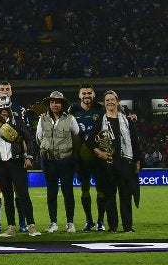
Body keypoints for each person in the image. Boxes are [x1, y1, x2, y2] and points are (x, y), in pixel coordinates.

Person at [0, 96, 40, 237]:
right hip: (0, 164)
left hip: (16, 162)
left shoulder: (18, 122)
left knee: (23, 194)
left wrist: (30, 156)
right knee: (7, 196)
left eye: (6, 108)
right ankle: (11, 227)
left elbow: (29, 138)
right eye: (1, 109)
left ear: (10, 108)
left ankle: (31, 225)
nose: (4, 111)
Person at [87, 90, 142, 233]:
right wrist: (101, 154)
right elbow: (90, 141)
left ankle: (127, 226)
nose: (110, 102)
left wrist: (137, 162)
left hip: (125, 163)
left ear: (117, 102)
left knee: (126, 196)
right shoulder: (100, 120)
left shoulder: (127, 121)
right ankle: (112, 226)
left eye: (112, 99)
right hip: (108, 164)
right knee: (110, 197)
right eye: (107, 100)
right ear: (104, 104)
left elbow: (135, 142)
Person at [0, 81, 28, 234]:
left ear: (11, 92)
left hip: (15, 157)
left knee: (17, 189)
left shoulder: (19, 110)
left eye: (7, 89)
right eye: (2, 89)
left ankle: (22, 222)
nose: (4, 91)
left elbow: (24, 135)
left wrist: (26, 154)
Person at [36, 91, 80, 233]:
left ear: (63, 104)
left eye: (58, 102)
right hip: (48, 161)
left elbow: (77, 136)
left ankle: (70, 222)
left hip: (67, 161)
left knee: (68, 192)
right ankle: (53, 222)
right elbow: (38, 138)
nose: (55, 105)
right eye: (52, 102)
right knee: (51, 192)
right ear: (49, 104)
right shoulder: (42, 119)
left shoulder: (71, 119)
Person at [69, 83, 106, 231]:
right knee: (84, 189)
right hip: (81, 157)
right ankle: (89, 220)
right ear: (79, 96)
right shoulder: (73, 110)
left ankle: (101, 221)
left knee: (101, 189)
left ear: (94, 94)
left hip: (98, 156)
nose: (86, 96)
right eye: (83, 93)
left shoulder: (100, 109)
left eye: (89, 93)